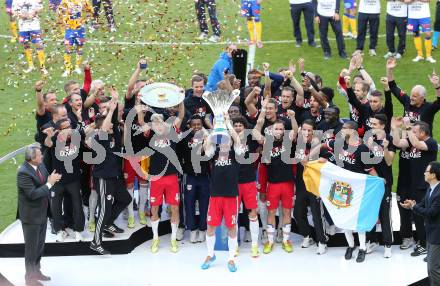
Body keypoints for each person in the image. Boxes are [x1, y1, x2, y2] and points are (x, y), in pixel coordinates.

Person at [321, 120, 380, 263]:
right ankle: (351, 245)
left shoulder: (363, 149)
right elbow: (324, 145)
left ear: (353, 131)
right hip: (340, 187)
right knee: (344, 216)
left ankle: (362, 248)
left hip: (357, 190)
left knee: (357, 219)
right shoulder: (338, 143)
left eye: (345, 128)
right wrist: (315, 158)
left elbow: (369, 169)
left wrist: (379, 181)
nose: (342, 130)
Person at [253, 99, 298, 254]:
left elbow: (295, 131)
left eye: (280, 128)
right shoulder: (267, 142)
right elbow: (254, 132)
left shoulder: (288, 140)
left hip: (287, 184)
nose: (278, 131)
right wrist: (263, 113)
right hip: (272, 184)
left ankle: (286, 240)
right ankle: (270, 241)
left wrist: (292, 117)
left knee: (286, 212)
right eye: (276, 129)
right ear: (271, 131)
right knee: (271, 212)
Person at [139, 103, 185, 254]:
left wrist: (181, 100)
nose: (158, 124)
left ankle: (172, 239)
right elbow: (141, 122)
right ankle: (155, 238)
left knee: (175, 208)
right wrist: (139, 107)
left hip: (171, 177)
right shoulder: (150, 134)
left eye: (160, 121)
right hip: (156, 177)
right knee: (154, 209)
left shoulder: (172, 132)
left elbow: (181, 116)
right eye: (154, 122)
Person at [200, 112, 243, 272]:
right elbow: (206, 147)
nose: (224, 142)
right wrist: (215, 130)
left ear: (230, 142)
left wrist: (228, 123)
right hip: (215, 196)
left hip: (231, 196)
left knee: (232, 227)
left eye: (227, 140)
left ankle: (231, 258)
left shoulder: (236, 154)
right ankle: (211, 255)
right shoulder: (214, 154)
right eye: (222, 139)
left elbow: (237, 139)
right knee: (211, 227)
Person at [89, 96, 131, 255]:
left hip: (115, 177)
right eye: (110, 126)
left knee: (126, 199)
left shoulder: (115, 135)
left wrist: (115, 104)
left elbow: (124, 141)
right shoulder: (100, 138)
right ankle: (96, 242)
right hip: (104, 177)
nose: (112, 126)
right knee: (104, 210)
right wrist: (111, 110)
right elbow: (105, 127)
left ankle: (108, 223)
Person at [392, 119, 438, 257]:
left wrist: (407, 128)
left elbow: (417, 144)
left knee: (422, 216)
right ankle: (417, 240)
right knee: (411, 213)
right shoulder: (413, 140)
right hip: (411, 184)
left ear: (423, 133)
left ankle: (425, 244)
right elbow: (397, 143)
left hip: (423, 186)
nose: (412, 133)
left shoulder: (431, 143)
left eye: (415, 131)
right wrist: (395, 129)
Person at [17, 145, 61, 286]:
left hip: (42, 214)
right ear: (32, 158)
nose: (42, 156)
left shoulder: (40, 166)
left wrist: (52, 180)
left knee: (39, 247)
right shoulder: (23, 173)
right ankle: (29, 279)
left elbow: (46, 180)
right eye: (39, 154)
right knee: (31, 250)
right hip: (31, 218)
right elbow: (33, 194)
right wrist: (49, 183)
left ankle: (36, 272)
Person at [43, 119, 85, 243]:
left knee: (77, 205)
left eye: (70, 126)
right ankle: (59, 231)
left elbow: (87, 131)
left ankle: (78, 231)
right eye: (65, 128)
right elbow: (47, 143)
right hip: (58, 180)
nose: (69, 129)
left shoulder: (76, 137)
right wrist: (50, 136)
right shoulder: (55, 139)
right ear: (59, 131)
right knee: (55, 207)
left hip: (73, 179)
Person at [400, 161, 440, 286]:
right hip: (431, 234)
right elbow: (423, 204)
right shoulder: (431, 188)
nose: (424, 173)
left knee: (433, 269)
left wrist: (413, 207)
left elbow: (430, 212)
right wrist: (411, 205)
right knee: (431, 267)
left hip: (437, 237)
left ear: (433, 175)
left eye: (426, 171)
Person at [365, 114, 395, 258]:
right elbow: (366, 161)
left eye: (375, 124)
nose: (372, 127)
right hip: (371, 183)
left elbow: (389, 162)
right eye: (371, 124)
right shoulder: (368, 138)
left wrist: (382, 149)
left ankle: (388, 244)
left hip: (385, 183)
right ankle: (372, 240)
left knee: (384, 214)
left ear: (382, 126)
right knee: (370, 213)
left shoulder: (389, 139)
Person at [177, 115, 210, 243]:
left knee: (204, 205)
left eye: (199, 124)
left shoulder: (207, 137)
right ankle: (192, 230)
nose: (196, 127)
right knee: (188, 205)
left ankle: (202, 230)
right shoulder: (184, 138)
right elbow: (178, 156)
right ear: (189, 126)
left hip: (204, 176)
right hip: (189, 176)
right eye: (194, 124)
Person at [386, 57, 440, 132]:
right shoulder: (407, 100)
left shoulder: (428, 108)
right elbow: (393, 86)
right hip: (406, 139)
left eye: (414, 96)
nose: (411, 98)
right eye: (411, 95)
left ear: (422, 98)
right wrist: (389, 69)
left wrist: (437, 86)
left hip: (422, 142)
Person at [233, 116, 261, 257]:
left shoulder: (250, 138)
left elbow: (259, 124)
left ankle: (254, 246)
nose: (238, 127)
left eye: (240, 125)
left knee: (253, 213)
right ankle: (234, 246)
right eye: (235, 125)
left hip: (249, 181)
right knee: (234, 215)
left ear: (245, 127)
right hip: (234, 182)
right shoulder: (230, 140)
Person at [57, 0, 93, 76]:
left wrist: (85, 19)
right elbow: (59, 12)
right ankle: (68, 69)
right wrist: (63, 22)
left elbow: (90, 10)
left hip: (80, 29)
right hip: (69, 29)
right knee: (67, 47)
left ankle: (77, 67)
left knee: (79, 47)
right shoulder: (65, 1)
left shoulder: (83, 0)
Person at [12, 0, 47, 74]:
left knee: (38, 44)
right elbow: (14, 11)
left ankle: (42, 67)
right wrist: (24, 16)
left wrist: (35, 12)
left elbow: (41, 7)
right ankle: (31, 66)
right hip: (23, 27)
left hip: (35, 26)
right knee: (26, 45)